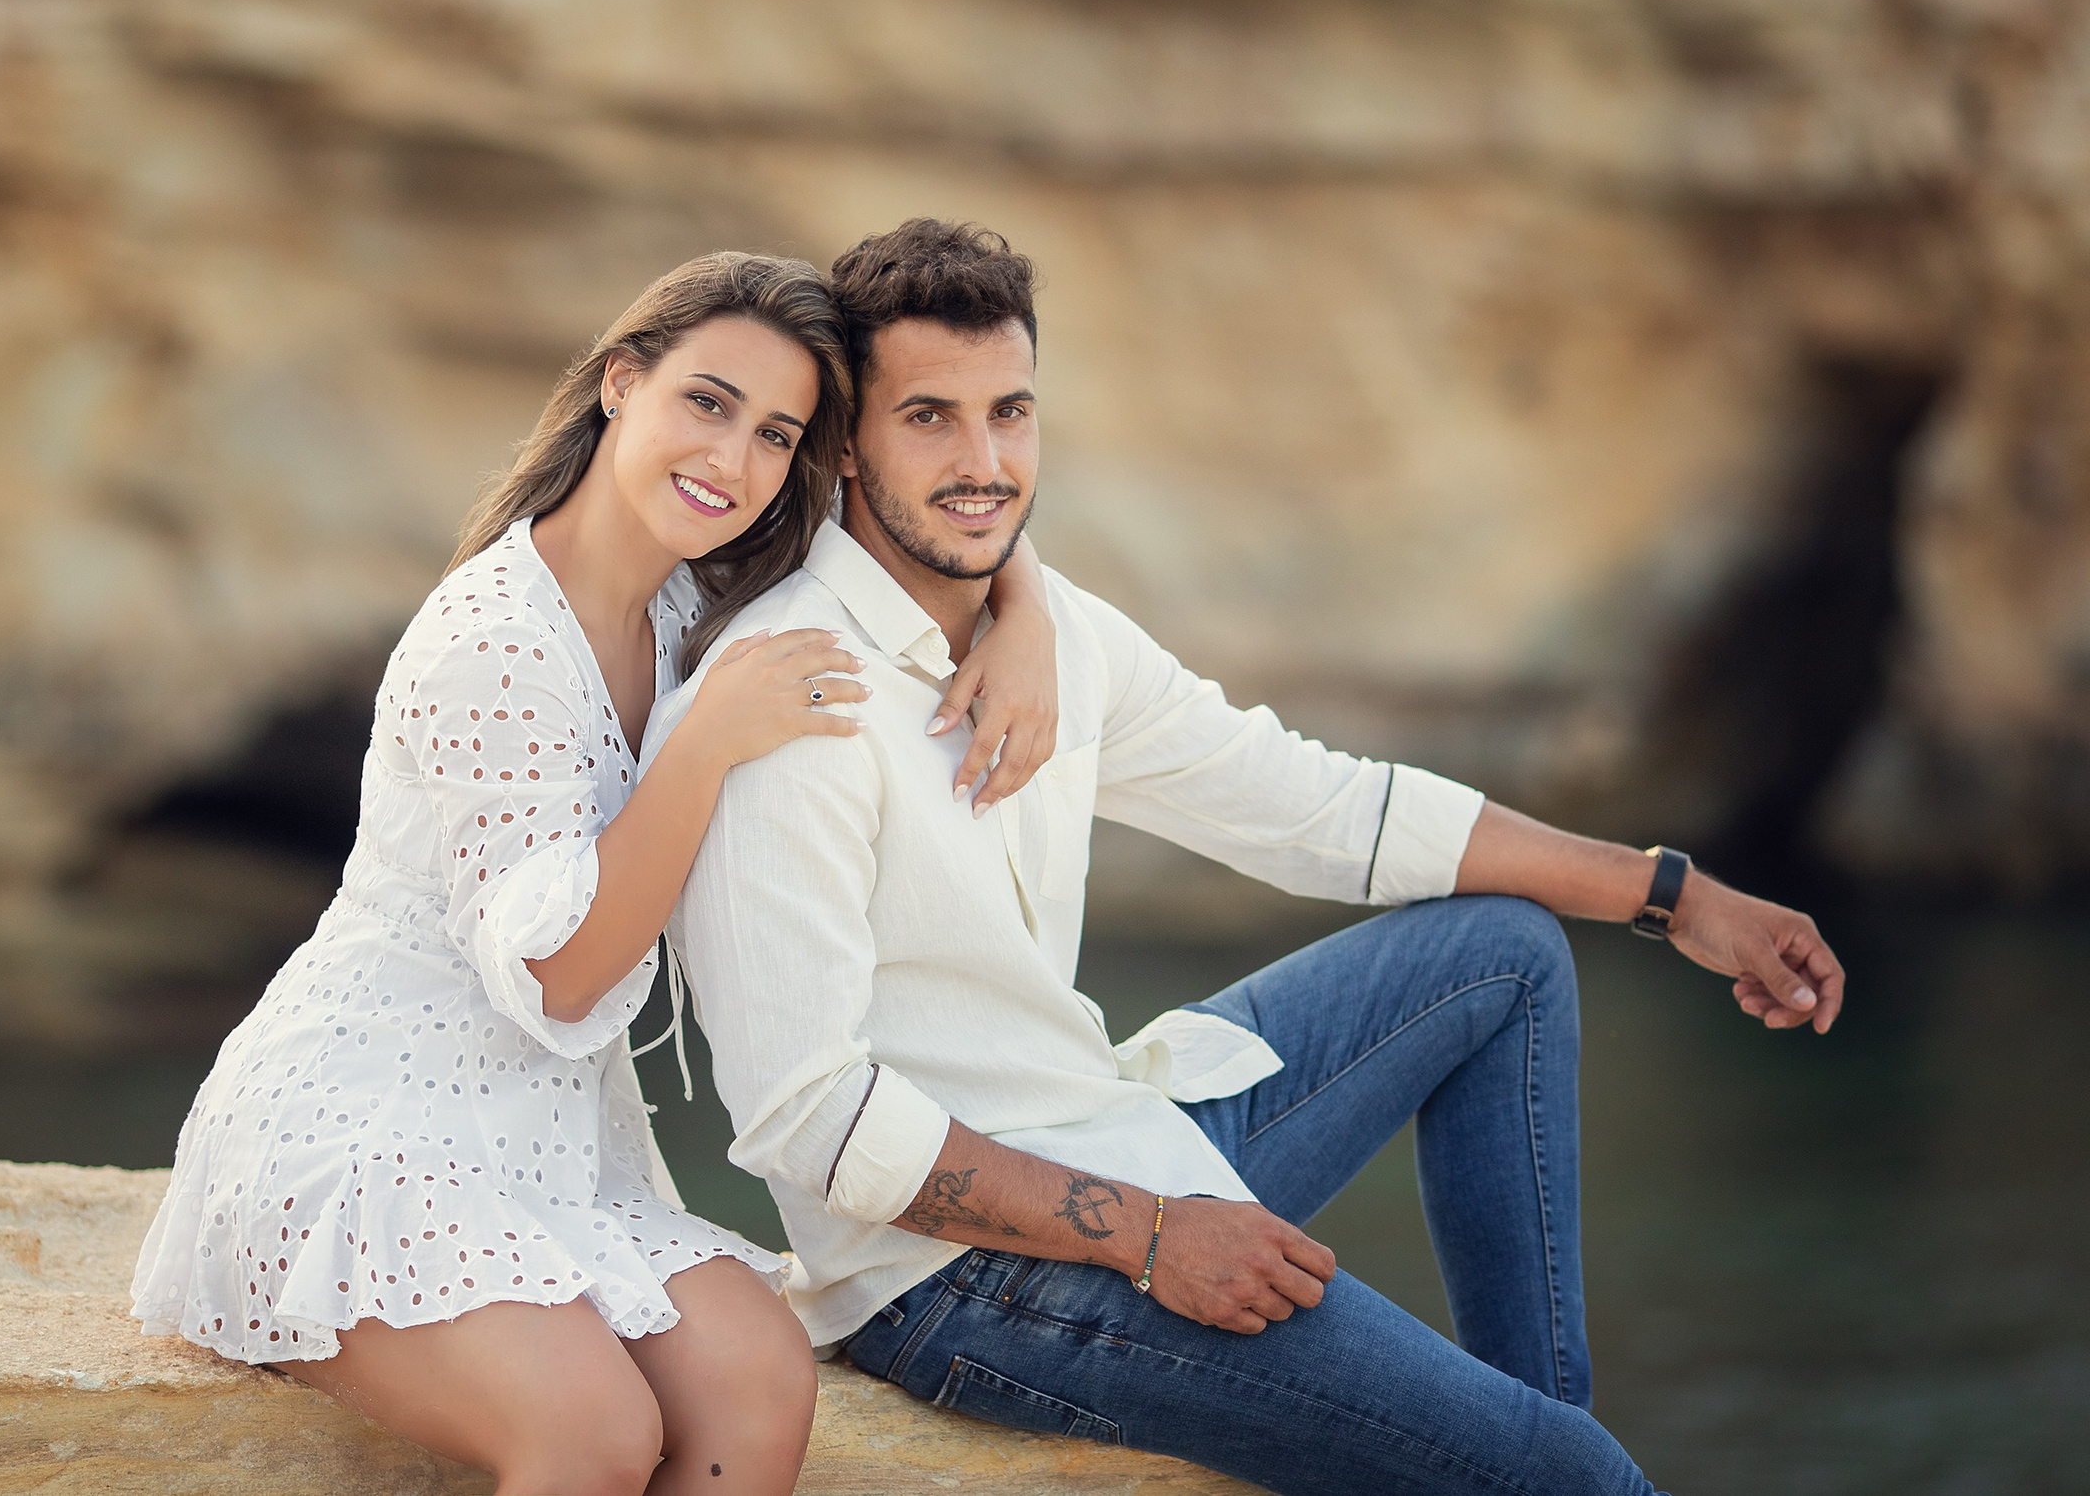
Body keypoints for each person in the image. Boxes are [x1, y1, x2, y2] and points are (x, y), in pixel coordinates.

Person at [648, 220, 1850, 1496]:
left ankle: (1527, 1453)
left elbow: (1321, 809)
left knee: (1499, 956)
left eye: (1010, 412)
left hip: (1106, 1127)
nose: (984, 463)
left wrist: (1673, 893)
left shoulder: (1052, 633)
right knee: (1576, 1475)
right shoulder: (794, 698)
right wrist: (1149, 1235)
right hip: (949, 1280)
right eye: (929, 418)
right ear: (844, 441)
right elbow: (810, 1121)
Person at [128, 249, 1062, 1496]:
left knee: (761, 1380)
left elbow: (934, 516)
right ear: (622, 382)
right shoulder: (493, 639)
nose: (733, 459)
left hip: (544, 1147)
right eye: (708, 402)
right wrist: (707, 741)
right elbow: (561, 976)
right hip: (357, 1139)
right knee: (594, 1433)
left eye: (776, 435)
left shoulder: (692, 603)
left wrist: (1025, 615)